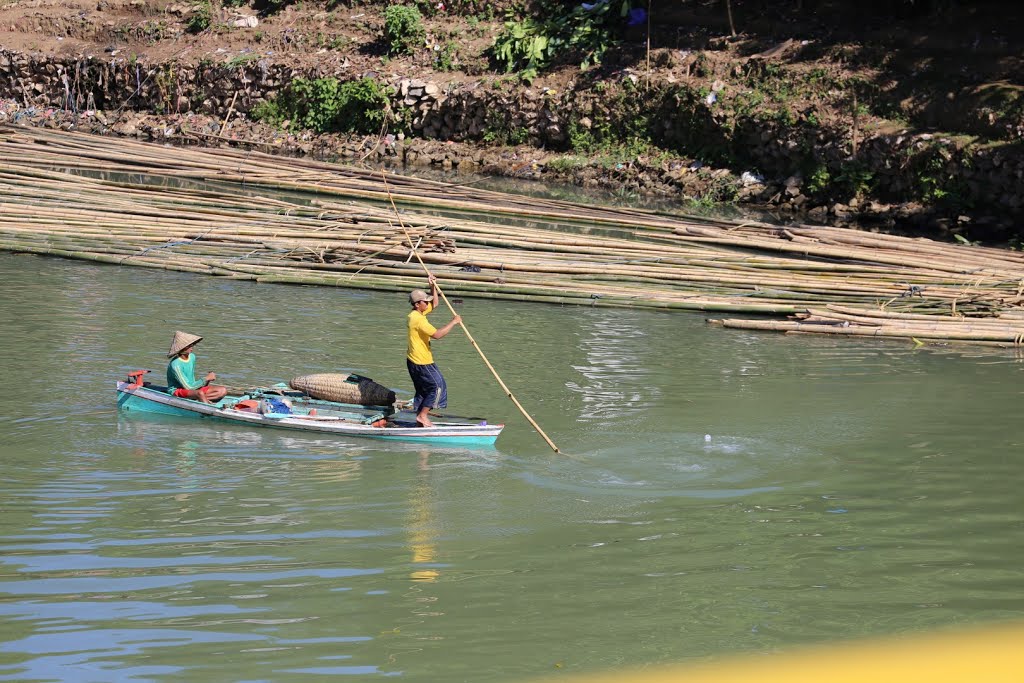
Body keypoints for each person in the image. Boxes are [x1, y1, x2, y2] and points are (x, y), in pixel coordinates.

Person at [406, 275, 461, 427]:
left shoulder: (415, 314)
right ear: (418, 304)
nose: (428, 303)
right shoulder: (418, 320)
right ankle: (423, 416)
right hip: (421, 361)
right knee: (438, 386)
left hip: (414, 361)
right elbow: (437, 335)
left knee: (424, 390)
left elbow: (435, 303)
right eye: (425, 301)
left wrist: (433, 286)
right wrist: (454, 322)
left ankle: (419, 418)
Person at [166, 331, 228, 404]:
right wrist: (206, 378)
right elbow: (188, 387)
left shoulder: (192, 356)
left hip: (193, 388)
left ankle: (201, 400)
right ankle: (206, 409)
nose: (192, 347)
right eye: (189, 345)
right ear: (182, 348)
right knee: (200, 393)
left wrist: (208, 380)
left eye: (192, 344)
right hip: (177, 391)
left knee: (222, 390)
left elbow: (192, 384)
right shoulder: (175, 364)